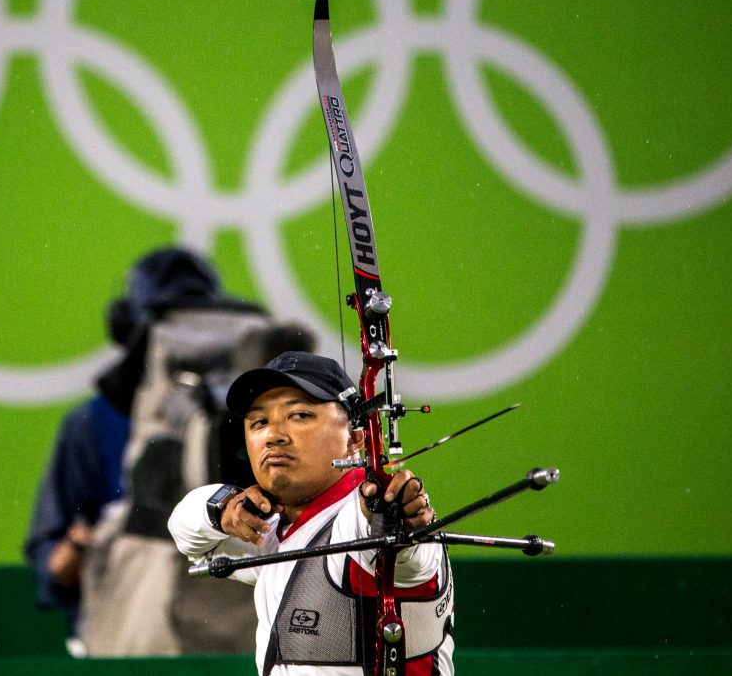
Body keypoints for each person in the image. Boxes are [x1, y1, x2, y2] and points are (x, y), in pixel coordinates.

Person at [23, 246, 259, 652]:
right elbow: (52, 564)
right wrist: (78, 552)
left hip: (238, 637)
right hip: (127, 635)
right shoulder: (91, 425)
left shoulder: (251, 422)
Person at [168, 351, 454, 676]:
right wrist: (222, 507)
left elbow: (394, 552)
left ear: (356, 439)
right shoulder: (270, 528)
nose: (275, 435)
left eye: (300, 415)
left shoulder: (356, 514)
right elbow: (185, 532)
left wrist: (397, 521)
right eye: (260, 421)